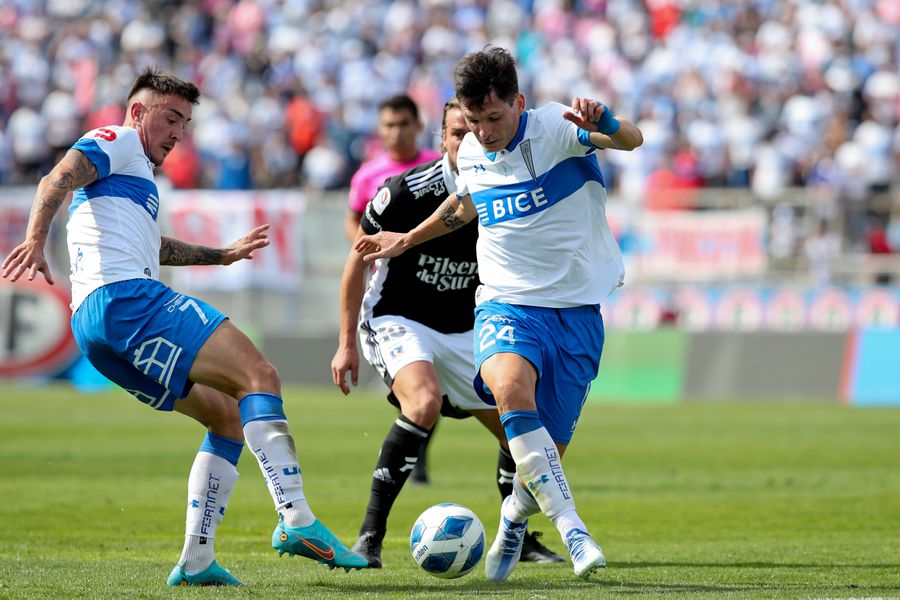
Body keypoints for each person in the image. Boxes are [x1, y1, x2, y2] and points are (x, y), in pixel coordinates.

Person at [1, 68, 367, 587]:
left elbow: (156, 247)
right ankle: (296, 518)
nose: (177, 133)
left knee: (225, 418)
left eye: (185, 124)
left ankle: (196, 559)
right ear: (137, 112)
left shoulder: (133, 179)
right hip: (126, 299)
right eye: (170, 118)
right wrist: (36, 238)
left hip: (94, 328)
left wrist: (221, 255)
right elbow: (55, 177)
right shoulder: (119, 139)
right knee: (259, 375)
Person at [355, 47, 643, 581]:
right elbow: (464, 206)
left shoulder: (557, 125)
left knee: (544, 459)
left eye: (494, 118)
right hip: (504, 302)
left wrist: (607, 122)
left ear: (520, 103)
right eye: (472, 122)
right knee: (510, 391)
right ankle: (574, 530)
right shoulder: (470, 152)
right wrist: (408, 240)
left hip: (577, 311)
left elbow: (629, 140)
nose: (483, 133)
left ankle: (513, 517)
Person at [331, 97, 564, 569]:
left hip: (464, 328)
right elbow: (357, 258)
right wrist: (345, 342)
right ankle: (369, 539)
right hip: (398, 317)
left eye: (478, 129)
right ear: (441, 140)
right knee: (424, 401)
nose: (470, 139)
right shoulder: (402, 194)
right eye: (459, 132)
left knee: (522, 431)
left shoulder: (506, 190)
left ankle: (519, 538)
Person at [344, 93, 443, 484]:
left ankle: (416, 449)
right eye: (389, 124)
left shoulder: (436, 168)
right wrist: (365, 252)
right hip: (388, 288)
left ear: (418, 127)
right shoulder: (368, 175)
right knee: (416, 380)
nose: (396, 132)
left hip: (433, 284)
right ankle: (413, 446)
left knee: (433, 383)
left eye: (403, 124)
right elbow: (353, 222)